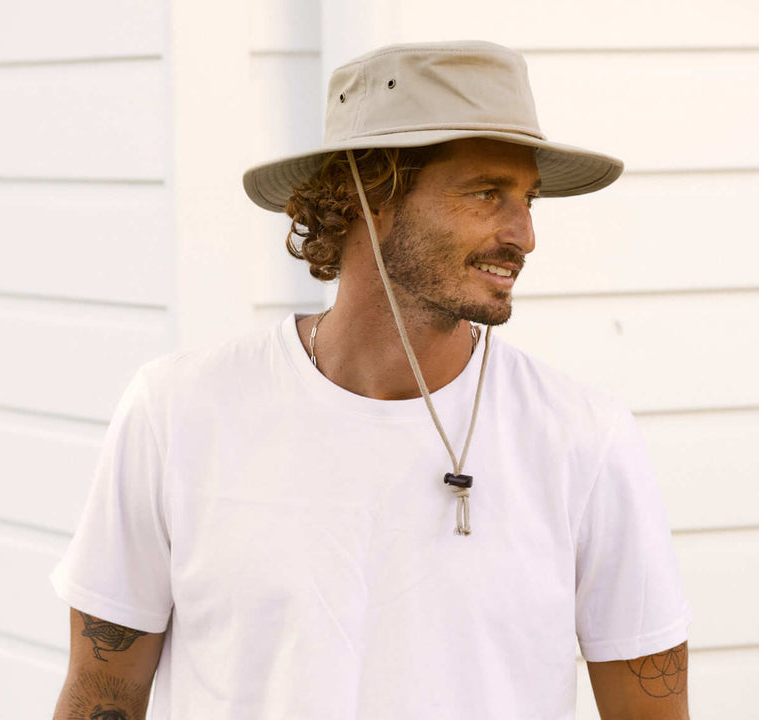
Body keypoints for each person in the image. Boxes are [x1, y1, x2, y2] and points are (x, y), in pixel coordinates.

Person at [51, 40, 692, 720]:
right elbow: (104, 692)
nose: (525, 234)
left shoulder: (585, 440)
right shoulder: (178, 413)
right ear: (371, 193)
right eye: (487, 194)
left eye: (528, 199)